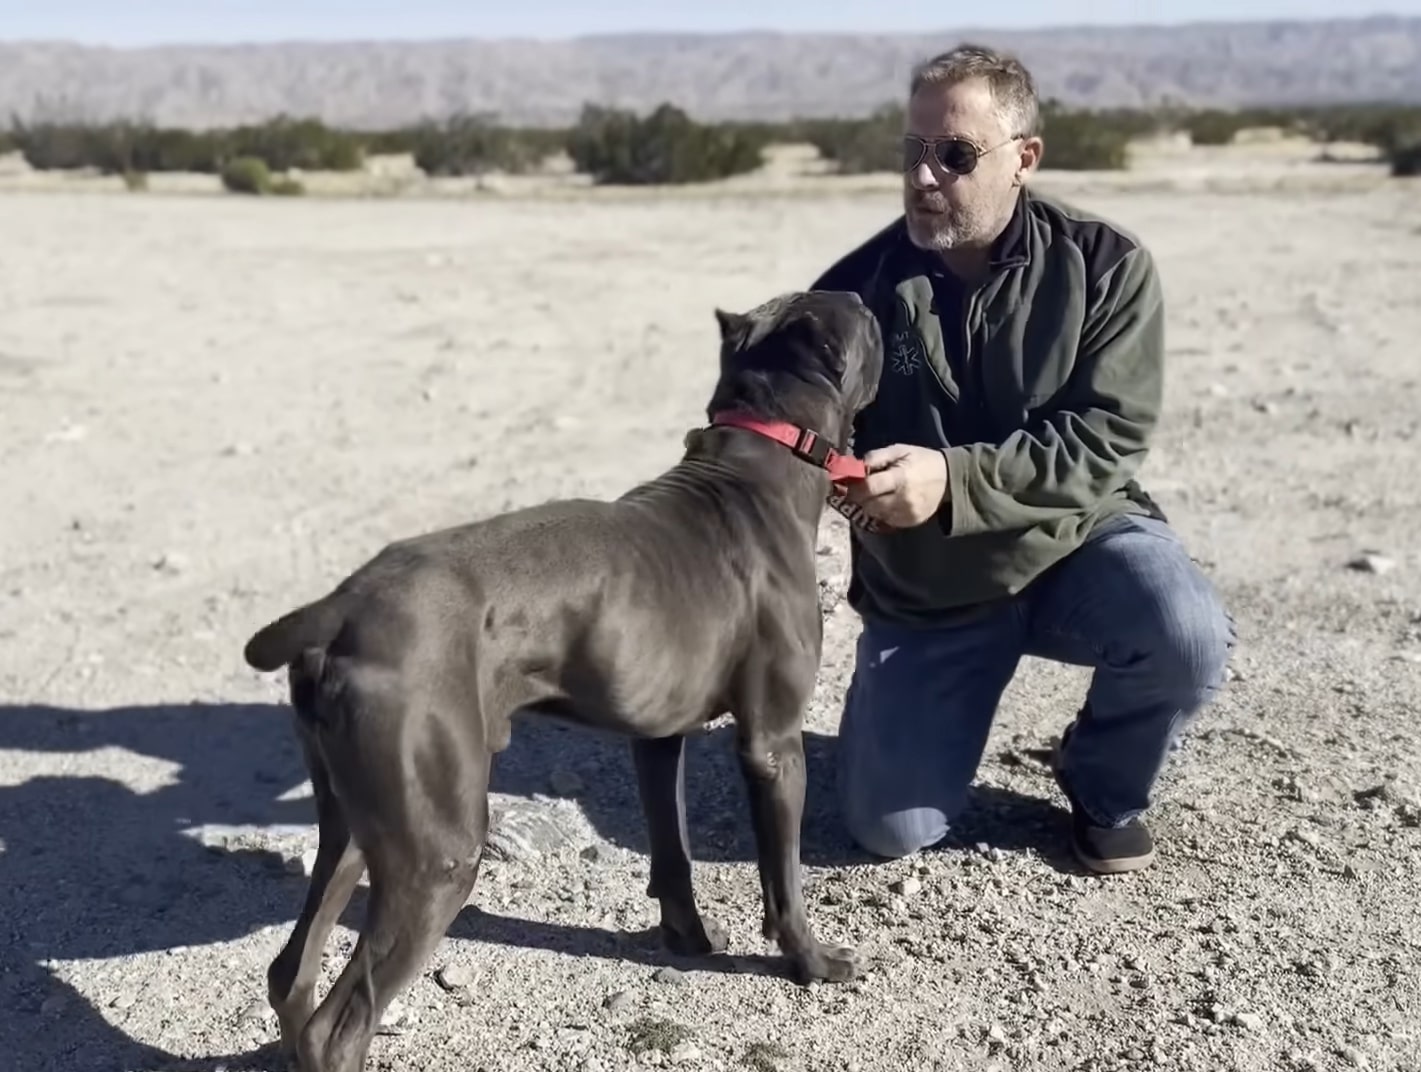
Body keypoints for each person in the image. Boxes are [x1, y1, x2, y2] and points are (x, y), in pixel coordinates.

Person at [811, 43, 1235, 874]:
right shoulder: (852, 291)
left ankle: (1101, 783)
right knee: (888, 832)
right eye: (913, 152)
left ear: (1023, 159)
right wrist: (847, 481)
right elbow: (806, 436)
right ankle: (887, 712)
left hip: (1075, 543)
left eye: (954, 155)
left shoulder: (1103, 265)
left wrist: (951, 478)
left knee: (1183, 636)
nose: (925, 176)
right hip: (930, 588)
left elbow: (1105, 437)